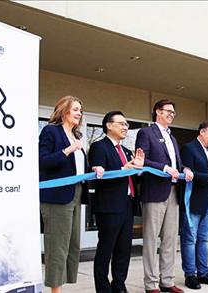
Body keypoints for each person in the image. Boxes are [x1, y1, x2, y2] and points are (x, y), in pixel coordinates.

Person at [39, 96, 104, 293]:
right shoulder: (51, 131)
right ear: (64, 110)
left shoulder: (76, 135)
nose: (79, 113)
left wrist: (93, 168)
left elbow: (76, 167)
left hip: (76, 193)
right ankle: (55, 290)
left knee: (72, 244)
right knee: (57, 246)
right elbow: (42, 161)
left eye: (81, 110)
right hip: (57, 196)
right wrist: (68, 150)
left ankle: (60, 286)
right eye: (75, 109)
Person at [135, 99, 193, 293]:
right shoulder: (146, 133)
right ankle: (150, 284)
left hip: (173, 193)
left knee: (170, 240)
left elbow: (178, 162)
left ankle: (167, 281)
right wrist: (164, 167)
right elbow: (142, 160)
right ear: (157, 112)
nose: (171, 115)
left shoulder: (172, 137)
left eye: (173, 112)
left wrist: (185, 168)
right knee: (151, 240)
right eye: (168, 111)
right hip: (154, 192)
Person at [88, 111, 144, 293]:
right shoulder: (99, 147)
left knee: (123, 249)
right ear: (108, 125)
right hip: (109, 206)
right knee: (106, 249)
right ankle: (103, 289)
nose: (125, 127)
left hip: (127, 204)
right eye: (121, 123)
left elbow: (133, 177)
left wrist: (138, 168)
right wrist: (122, 169)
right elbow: (99, 176)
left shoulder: (127, 151)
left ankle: (119, 285)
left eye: (126, 124)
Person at [180, 121, 208, 290]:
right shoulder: (189, 149)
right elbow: (187, 173)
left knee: (203, 240)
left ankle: (203, 273)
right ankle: (190, 275)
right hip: (193, 202)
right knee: (189, 240)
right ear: (202, 132)